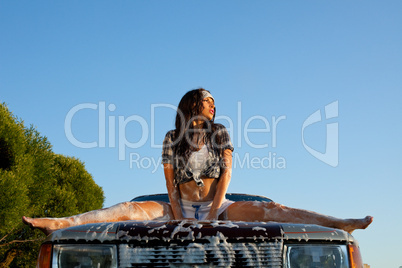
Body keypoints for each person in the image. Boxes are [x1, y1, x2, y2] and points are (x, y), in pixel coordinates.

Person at [23, 88, 373, 235]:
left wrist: (216, 214)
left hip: (216, 207)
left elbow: (226, 176)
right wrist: (176, 214)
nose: (213, 106)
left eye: (215, 103)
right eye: (208, 101)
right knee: (128, 207)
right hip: (180, 205)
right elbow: (169, 184)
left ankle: (339, 223)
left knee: (274, 208)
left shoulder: (220, 132)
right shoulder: (170, 139)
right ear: (192, 104)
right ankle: (60, 223)